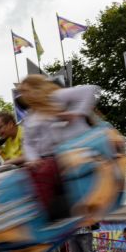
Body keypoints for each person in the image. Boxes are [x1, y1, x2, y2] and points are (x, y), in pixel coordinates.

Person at [16, 75, 99, 220]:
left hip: (67, 151)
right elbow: (28, 143)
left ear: (36, 89)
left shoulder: (55, 97)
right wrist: (33, 159)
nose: (23, 96)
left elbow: (91, 90)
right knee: (28, 174)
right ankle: (44, 213)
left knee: (49, 170)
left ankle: (57, 213)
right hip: (45, 159)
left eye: (25, 91)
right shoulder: (30, 117)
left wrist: (77, 113)